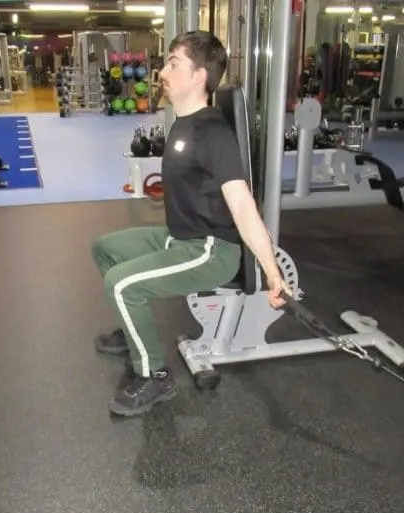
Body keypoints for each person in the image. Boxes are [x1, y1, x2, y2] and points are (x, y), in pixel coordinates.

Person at [91, 31, 290, 418]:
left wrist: (272, 271)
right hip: (177, 237)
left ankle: (155, 376)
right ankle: (134, 331)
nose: (162, 72)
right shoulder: (183, 121)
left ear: (199, 75)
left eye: (173, 63)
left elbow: (243, 205)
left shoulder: (212, 133)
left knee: (121, 284)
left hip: (210, 250)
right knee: (104, 248)